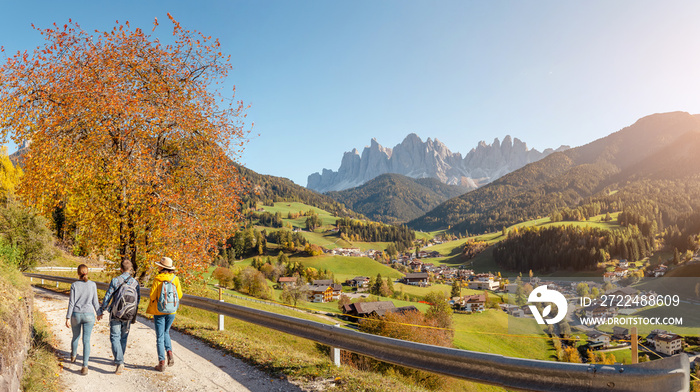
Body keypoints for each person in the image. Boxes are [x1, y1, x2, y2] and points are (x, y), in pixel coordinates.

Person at [98, 259, 141, 375]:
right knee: (123, 337)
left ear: (121, 269)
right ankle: (120, 358)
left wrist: (102, 309)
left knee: (114, 337)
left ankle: (119, 361)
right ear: (130, 269)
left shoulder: (115, 280)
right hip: (128, 314)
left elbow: (108, 296)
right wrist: (133, 313)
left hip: (116, 313)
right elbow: (138, 299)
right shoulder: (135, 283)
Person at [146, 256, 183, 372]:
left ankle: (161, 362)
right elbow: (180, 294)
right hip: (172, 310)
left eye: (159, 265)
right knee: (166, 332)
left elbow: (152, 295)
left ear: (162, 267)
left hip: (159, 310)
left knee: (159, 336)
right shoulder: (175, 279)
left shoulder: (157, 279)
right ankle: (170, 352)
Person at [66, 264, 100, 375]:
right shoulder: (93, 285)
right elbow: (95, 301)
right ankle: (85, 366)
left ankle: (73, 355)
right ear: (87, 272)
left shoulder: (74, 285)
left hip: (76, 314)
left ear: (78, 273)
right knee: (86, 341)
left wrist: (67, 317)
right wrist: (99, 313)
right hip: (89, 315)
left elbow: (71, 302)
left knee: (75, 336)